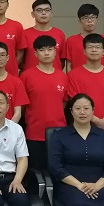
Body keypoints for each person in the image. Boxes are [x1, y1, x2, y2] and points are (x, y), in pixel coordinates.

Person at [19, 35, 69, 171]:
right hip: (34, 133)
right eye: (42, 50)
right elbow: (22, 106)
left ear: (55, 51)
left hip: (59, 132)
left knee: (59, 172)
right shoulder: (26, 76)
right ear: (35, 53)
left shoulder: (62, 76)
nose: (46, 53)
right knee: (36, 173)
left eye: (50, 49)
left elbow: (64, 102)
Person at [66, 34, 104, 140]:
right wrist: (97, 121)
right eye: (90, 47)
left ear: (103, 52)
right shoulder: (73, 75)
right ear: (84, 51)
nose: (94, 50)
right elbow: (74, 103)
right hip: (83, 131)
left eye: (97, 47)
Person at [63, 4, 104, 72]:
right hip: (78, 77)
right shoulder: (71, 40)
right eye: (85, 18)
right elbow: (69, 65)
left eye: (93, 17)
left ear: (97, 19)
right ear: (80, 21)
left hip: (102, 77)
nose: (89, 20)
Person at [20, 0, 66, 72]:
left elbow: (62, 60)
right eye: (39, 10)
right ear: (33, 14)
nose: (43, 13)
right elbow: (20, 59)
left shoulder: (60, 33)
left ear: (51, 13)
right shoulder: (24, 34)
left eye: (47, 10)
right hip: (31, 76)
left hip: (54, 76)